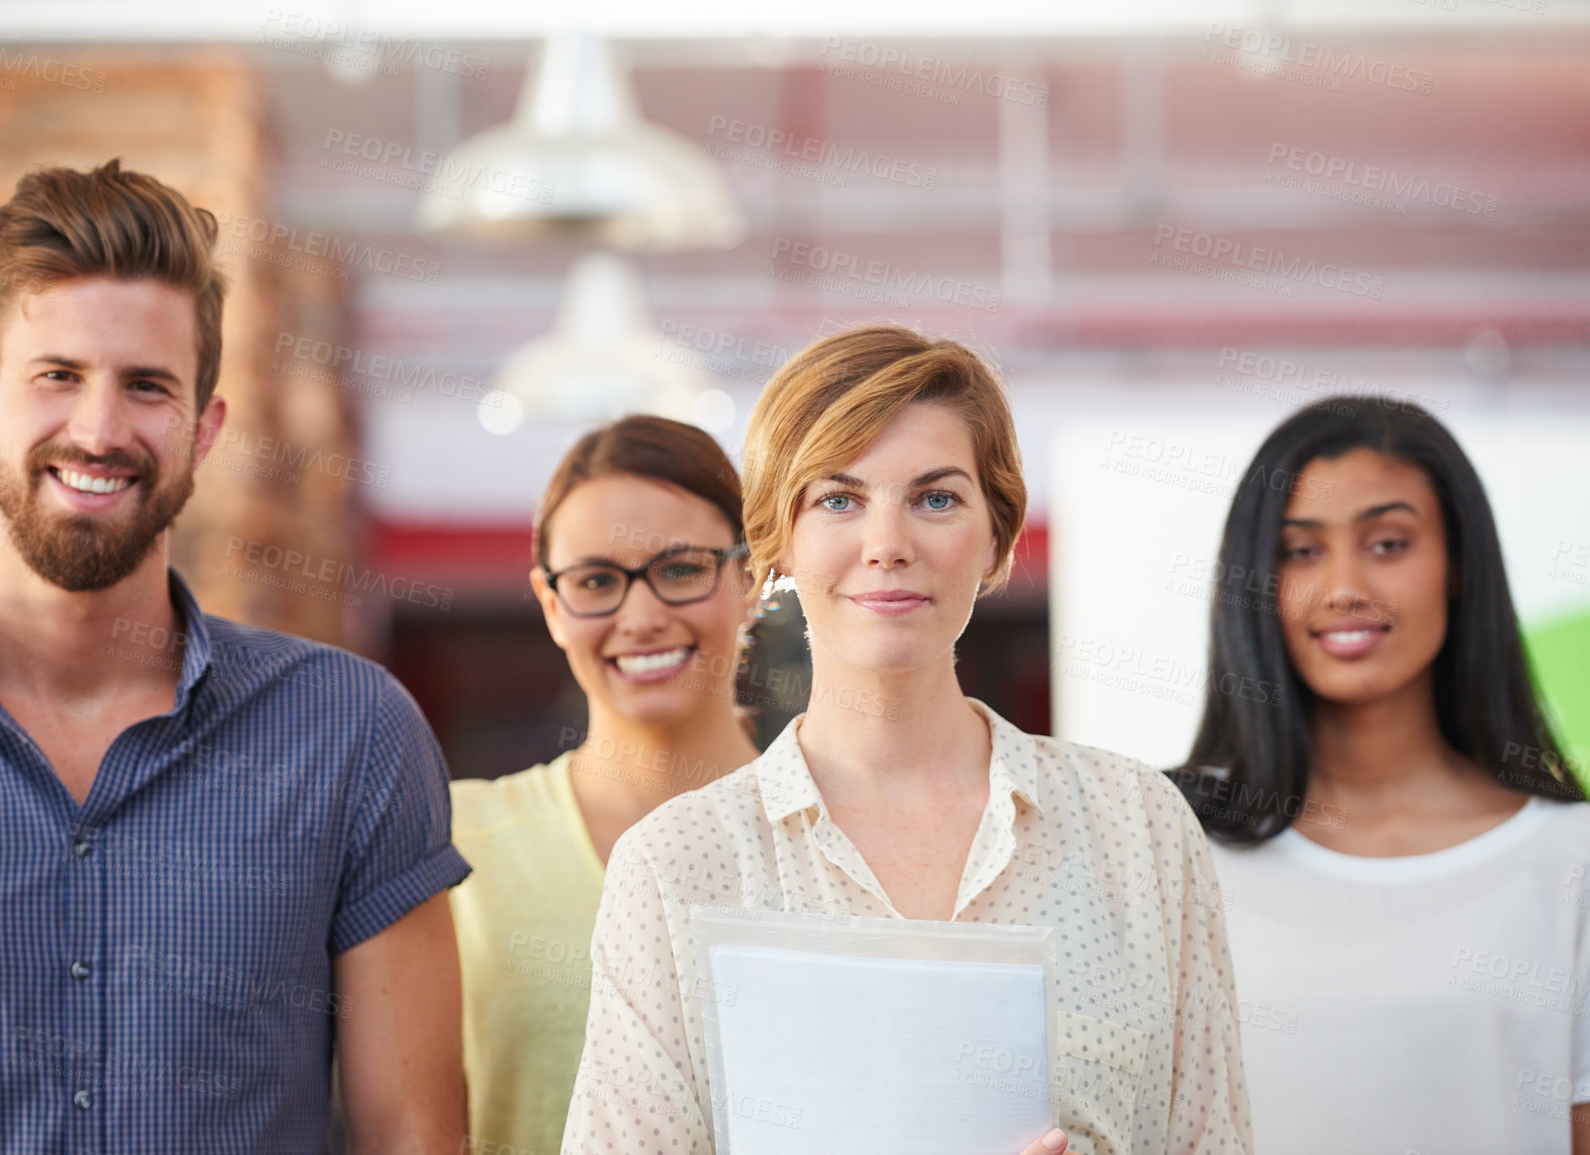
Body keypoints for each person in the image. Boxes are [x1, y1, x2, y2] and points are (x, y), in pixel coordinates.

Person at [0, 159, 471, 1153]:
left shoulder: (349, 735)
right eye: (57, 376)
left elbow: (413, 1137)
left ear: (205, 427)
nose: (99, 431)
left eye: (148, 387)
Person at [562, 325, 1253, 1155]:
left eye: (934, 497)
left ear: (995, 538)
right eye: (839, 499)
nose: (887, 544)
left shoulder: (1138, 829)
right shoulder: (677, 865)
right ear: (778, 543)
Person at [1170, 398, 1590, 1154]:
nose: (1343, 587)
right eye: (1299, 551)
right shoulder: (1168, 845)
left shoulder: (1573, 858)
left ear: (1458, 564)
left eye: (1388, 543)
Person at [450, 416, 762, 1155]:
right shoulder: (454, 839)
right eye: (596, 581)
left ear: (750, 579)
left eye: (681, 568)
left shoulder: (838, 831)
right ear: (551, 603)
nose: (643, 616)